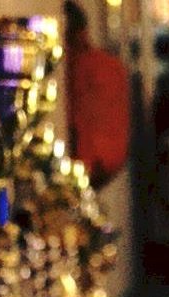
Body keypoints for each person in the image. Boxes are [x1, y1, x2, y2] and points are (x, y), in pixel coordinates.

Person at [64, 0, 133, 188]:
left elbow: (82, 119)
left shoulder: (82, 67)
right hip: (107, 161)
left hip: (91, 161)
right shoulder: (109, 65)